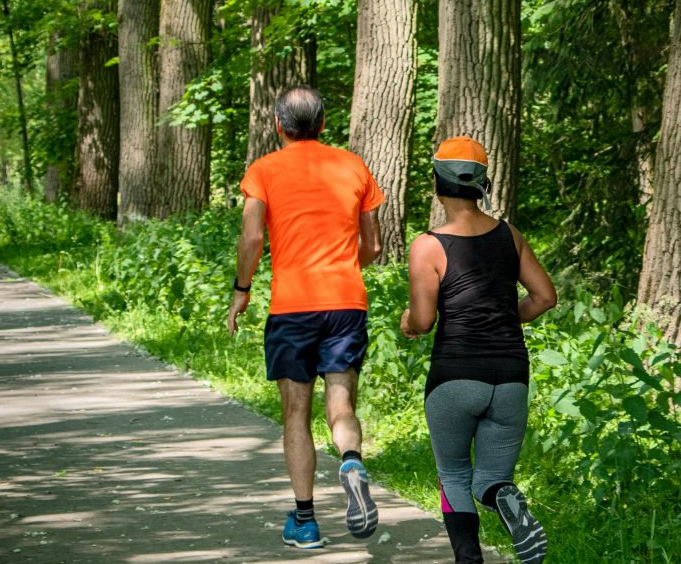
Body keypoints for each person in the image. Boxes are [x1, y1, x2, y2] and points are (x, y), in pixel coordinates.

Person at [227, 85, 384, 549]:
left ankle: (306, 521)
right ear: (323, 124)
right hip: (345, 303)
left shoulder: (263, 170)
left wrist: (242, 289)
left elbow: (253, 239)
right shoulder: (353, 165)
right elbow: (372, 246)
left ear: (278, 125)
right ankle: (351, 460)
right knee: (342, 401)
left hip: (292, 307)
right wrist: (344, 271)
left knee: (296, 412)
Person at [400, 136, 556, 564]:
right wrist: (505, 315)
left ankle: (469, 560)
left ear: (437, 184)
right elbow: (544, 298)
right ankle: (506, 498)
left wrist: (407, 323)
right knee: (490, 479)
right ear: (481, 183)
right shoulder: (509, 234)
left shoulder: (427, 245)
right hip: (510, 376)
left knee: (453, 475)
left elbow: (424, 319)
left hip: (455, 376)